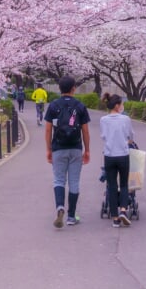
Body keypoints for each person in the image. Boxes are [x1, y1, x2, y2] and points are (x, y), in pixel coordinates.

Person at [43, 75, 91, 228]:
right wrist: (87, 150)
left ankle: (59, 207)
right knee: (74, 182)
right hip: (75, 148)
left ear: (59, 88)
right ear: (73, 89)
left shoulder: (53, 106)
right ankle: (71, 216)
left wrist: (48, 149)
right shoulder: (80, 106)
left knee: (59, 180)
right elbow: (85, 131)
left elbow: (48, 130)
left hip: (58, 147)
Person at [100, 94, 135, 228]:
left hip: (109, 155)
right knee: (124, 184)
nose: (122, 106)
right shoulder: (125, 119)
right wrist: (128, 141)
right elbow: (131, 135)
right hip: (123, 155)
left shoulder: (103, 120)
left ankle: (115, 218)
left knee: (112, 186)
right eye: (121, 104)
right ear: (117, 106)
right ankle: (123, 211)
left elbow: (104, 136)